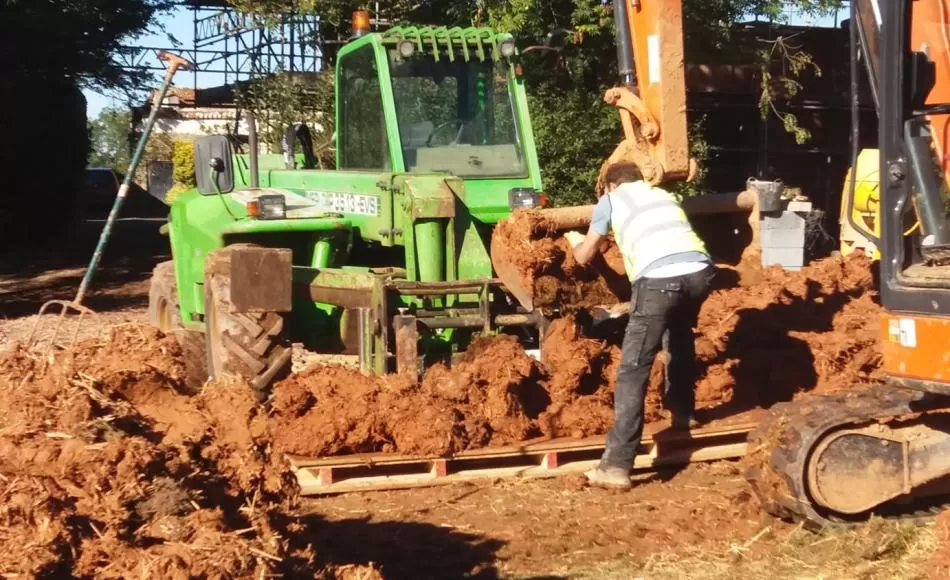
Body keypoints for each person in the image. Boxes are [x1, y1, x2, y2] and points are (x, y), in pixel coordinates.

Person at [564, 161, 715, 490]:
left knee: (633, 368)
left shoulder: (612, 200)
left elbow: (585, 256)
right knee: (679, 336)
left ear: (611, 185)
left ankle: (617, 464)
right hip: (700, 273)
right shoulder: (662, 195)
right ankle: (682, 412)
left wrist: (574, 240)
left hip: (660, 280)